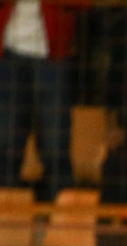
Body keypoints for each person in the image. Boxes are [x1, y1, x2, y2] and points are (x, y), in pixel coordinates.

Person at [0, 0, 76, 199]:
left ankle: (59, 209)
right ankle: (6, 209)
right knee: (7, 141)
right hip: (8, 55)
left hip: (53, 56)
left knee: (55, 143)